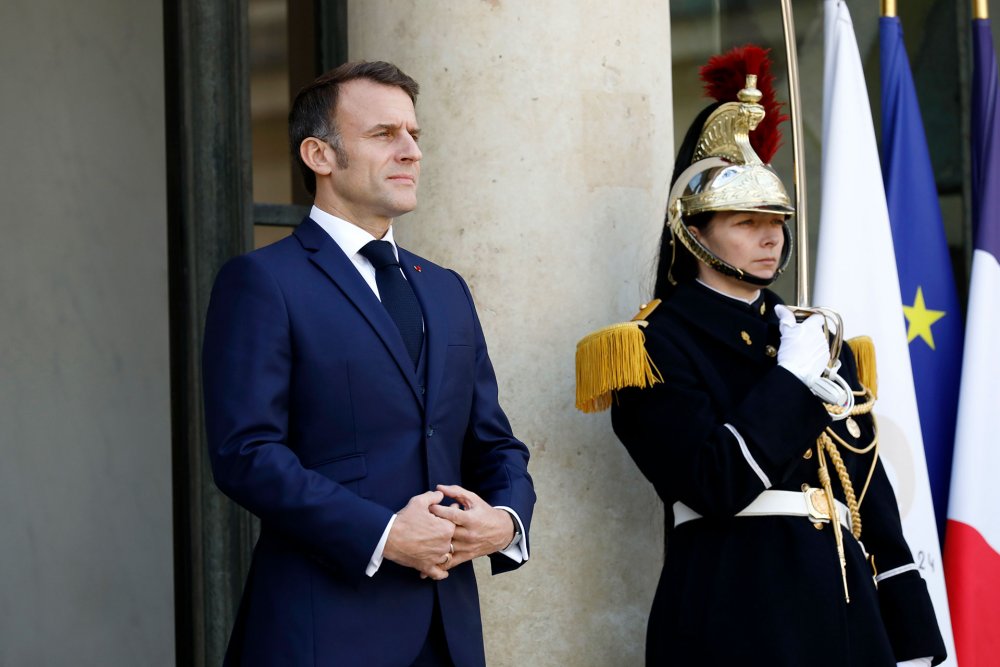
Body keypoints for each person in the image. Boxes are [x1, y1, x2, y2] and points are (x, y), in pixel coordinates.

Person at [576, 46, 946, 666]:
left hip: (850, 618)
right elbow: (713, 481)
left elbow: (869, 498)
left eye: (774, 219)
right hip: (737, 610)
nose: (770, 236)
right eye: (744, 221)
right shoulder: (649, 346)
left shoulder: (816, 338)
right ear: (693, 233)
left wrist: (911, 639)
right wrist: (790, 382)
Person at [203, 60, 535, 667]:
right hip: (323, 629)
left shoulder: (446, 288)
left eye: (414, 135)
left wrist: (507, 521)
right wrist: (384, 535)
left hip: (449, 632)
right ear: (320, 156)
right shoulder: (261, 282)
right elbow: (245, 452)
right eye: (384, 135)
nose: (410, 151)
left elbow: (495, 442)